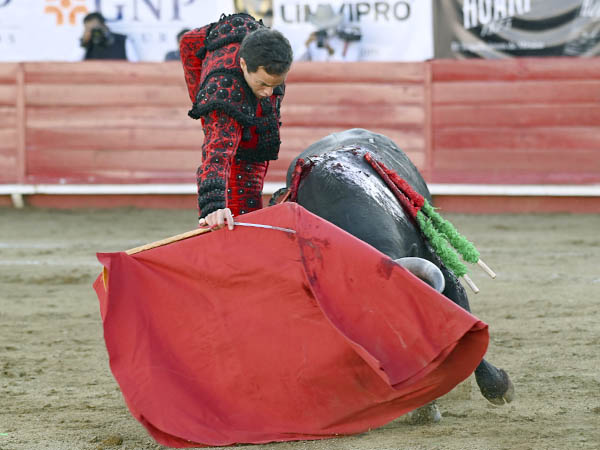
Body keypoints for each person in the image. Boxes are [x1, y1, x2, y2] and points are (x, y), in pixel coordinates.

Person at [179, 13, 293, 230]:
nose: (269, 92)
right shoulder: (223, 93)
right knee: (240, 217)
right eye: (262, 84)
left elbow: (190, 40)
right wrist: (213, 206)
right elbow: (217, 153)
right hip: (231, 118)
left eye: (275, 84)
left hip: (252, 132)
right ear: (242, 64)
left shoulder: (266, 46)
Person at [297, 4, 362, 62]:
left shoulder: (344, 39)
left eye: (328, 25)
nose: (324, 29)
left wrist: (329, 49)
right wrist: (306, 44)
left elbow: (346, 67)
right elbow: (297, 62)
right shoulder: (313, 42)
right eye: (321, 26)